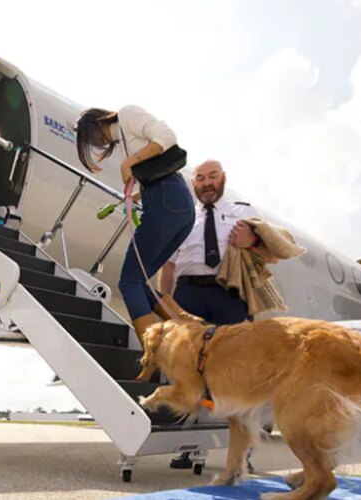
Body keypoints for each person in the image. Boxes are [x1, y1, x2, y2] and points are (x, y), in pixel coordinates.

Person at [159, 159, 269, 470]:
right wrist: (166, 308)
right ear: (193, 184)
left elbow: (271, 254)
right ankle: (188, 445)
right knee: (186, 371)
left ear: (223, 179)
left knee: (239, 374)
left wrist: (252, 241)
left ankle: (243, 453)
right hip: (188, 294)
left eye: (212, 176)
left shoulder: (244, 211)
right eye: (200, 178)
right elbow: (167, 268)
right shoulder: (181, 218)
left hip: (230, 295)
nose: (206, 182)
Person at [74, 106, 195, 342]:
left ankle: (153, 354)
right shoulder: (124, 142)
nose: (96, 143)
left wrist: (129, 163)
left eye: (91, 137)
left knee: (128, 281)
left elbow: (167, 137)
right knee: (139, 282)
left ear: (98, 123)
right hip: (175, 204)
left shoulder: (127, 115)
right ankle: (189, 329)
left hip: (166, 199)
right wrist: (135, 194)